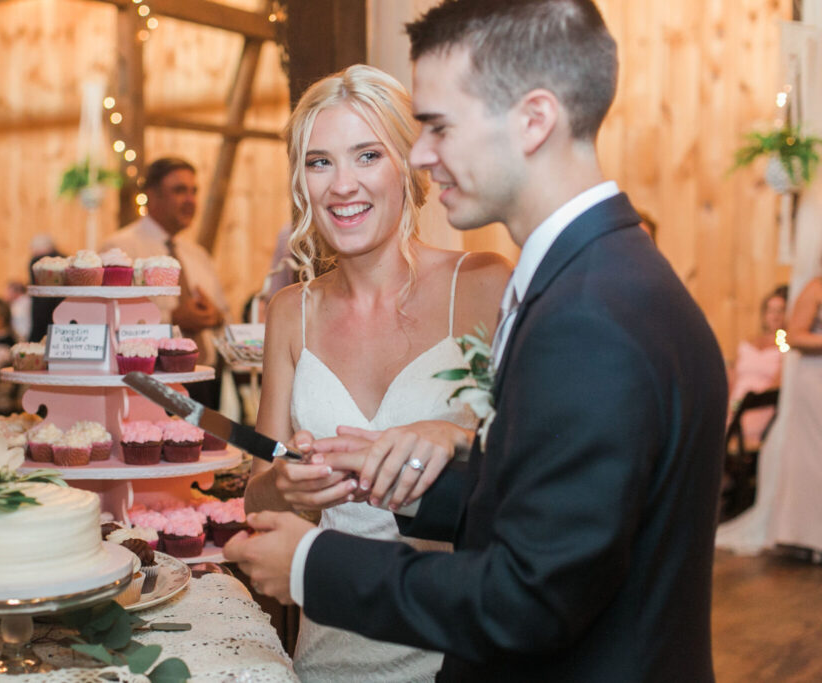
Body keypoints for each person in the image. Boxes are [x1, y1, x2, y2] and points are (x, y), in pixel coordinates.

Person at [224, 2, 728, 681]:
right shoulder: (602, 278)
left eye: (437, 126)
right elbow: (549, 507)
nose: (423, 153)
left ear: (533, 120)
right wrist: (399, 475)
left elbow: (531, 598)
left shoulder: (590, 315)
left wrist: (314, 565)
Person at [243, 64, 510, 682]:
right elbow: (256, 498)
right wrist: (287, 486)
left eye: (367, 155)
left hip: (459, 647)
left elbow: (535, 469)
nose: (342, 185)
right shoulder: (291, 312)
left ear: (409, 164)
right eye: (319, 162)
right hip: (328, 650)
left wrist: (456, 440)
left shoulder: (482, 285)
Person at [102, 157, 229, 407]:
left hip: (204, 379)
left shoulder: (198, 255)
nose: (190, 200)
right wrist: (173, 319)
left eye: (194, 191)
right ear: (152, 195)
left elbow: (224, 313)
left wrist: (215, 317)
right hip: (152, 382)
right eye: (179, 191)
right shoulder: (120, 249)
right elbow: (109, 318)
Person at [767, 272, 822, 557]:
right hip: (815, 380)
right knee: (814, 457)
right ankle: (809, 535)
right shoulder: (815, 288)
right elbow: (793, 336)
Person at [728, 285, 787, 444]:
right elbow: (734, 376)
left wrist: (749, 402)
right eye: (771, 310)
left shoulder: (784, 346)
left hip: (760, 405)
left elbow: (779, 381)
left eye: (780, 311)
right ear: (764, 314)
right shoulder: (749, 342)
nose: (775, 316)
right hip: (736, 403)